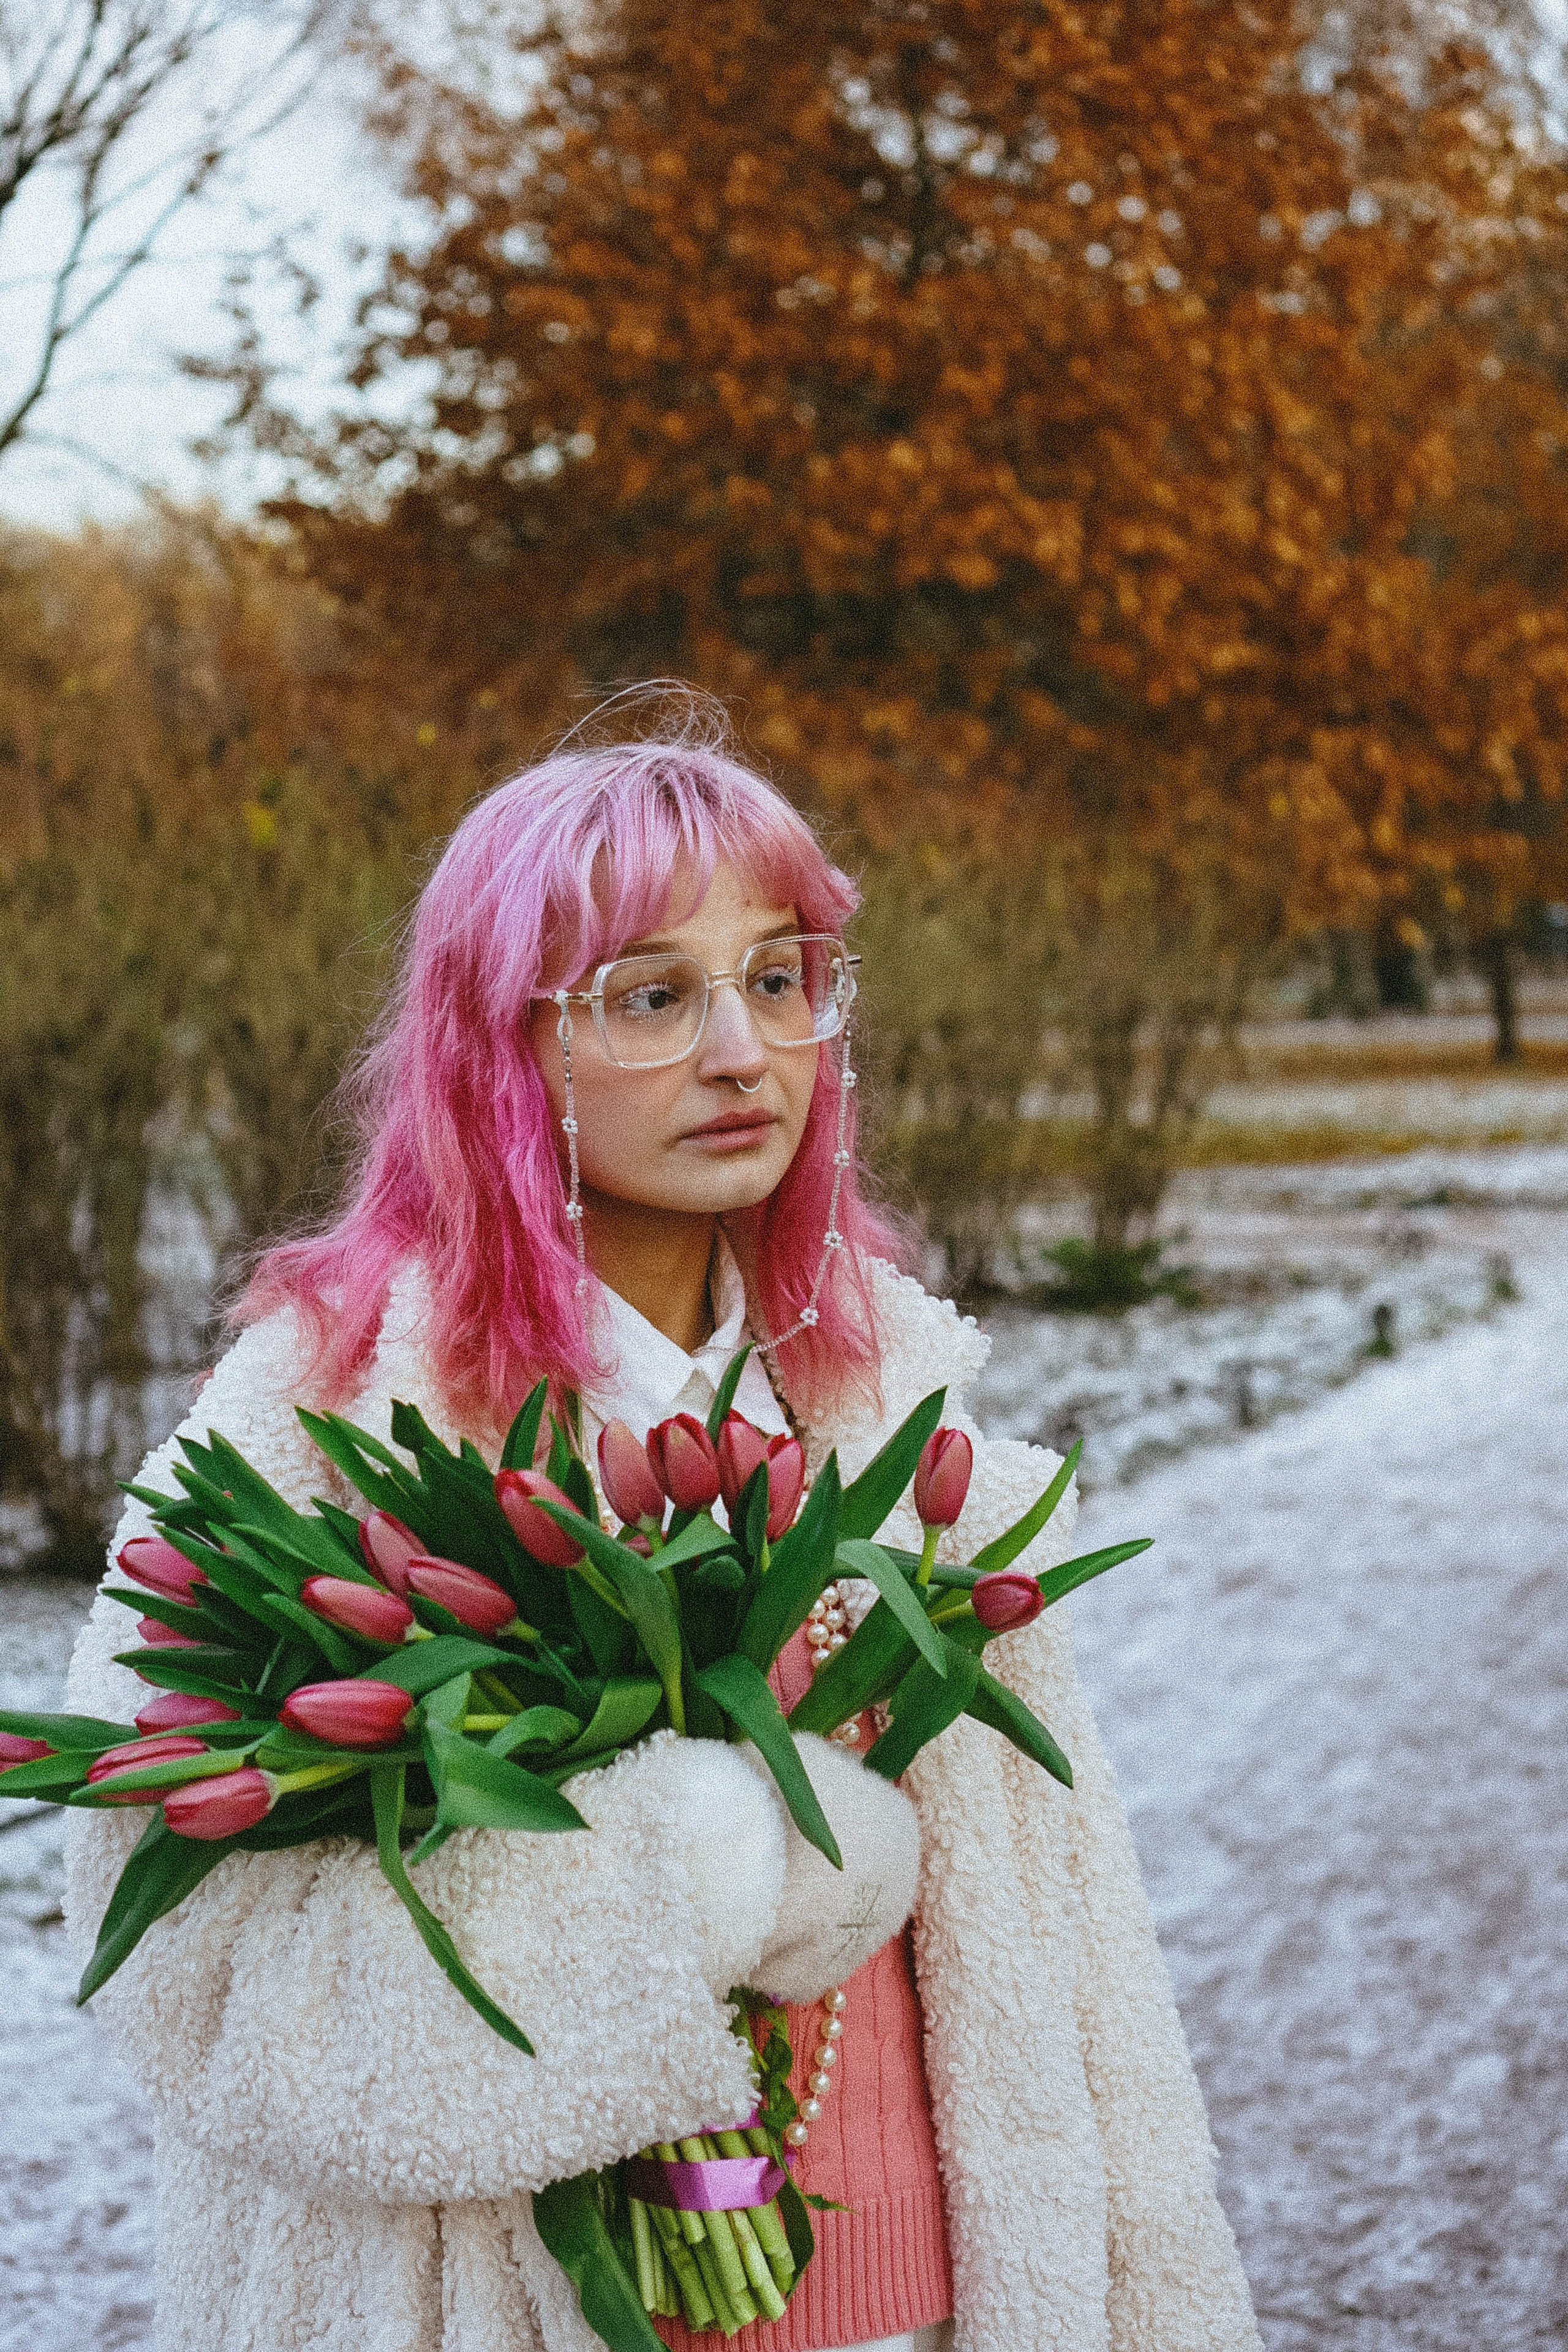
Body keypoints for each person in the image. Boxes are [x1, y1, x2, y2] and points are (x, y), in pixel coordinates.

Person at [62, 706, 1262, 2352]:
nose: (741, 1051)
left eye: (779, 978)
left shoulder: (890, 1400)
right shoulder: (330, 1417)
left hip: (926, 2293)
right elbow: (198, 1978)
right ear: (506, 1043)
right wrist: (695, 1864)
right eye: (652, 995)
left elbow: (1075, 1991)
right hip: (510, 2302)